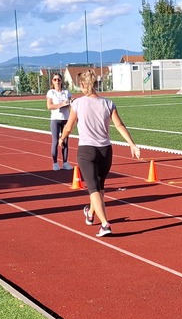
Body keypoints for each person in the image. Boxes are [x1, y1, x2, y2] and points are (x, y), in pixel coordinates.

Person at [57, 69, 141, 237]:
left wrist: (62, 138)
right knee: (99, 187)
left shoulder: (77, 103)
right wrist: (132, 144)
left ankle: (105, 224)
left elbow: (69, 126)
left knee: (93, 188)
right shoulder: (108, 103)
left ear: (83, 85)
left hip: (87, 151)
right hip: (105, 151)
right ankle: (90, 213)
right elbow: (119, 125)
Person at [45, 72, 73, 171]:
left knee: (65, 141)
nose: (57, 81)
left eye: (59, 79)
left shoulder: (66, 92)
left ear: (61, 81)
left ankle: (65, 162)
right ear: (52, 81)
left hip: (65, 119)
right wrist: (61, 105)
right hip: (55, 119)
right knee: (55, 141)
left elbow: (71, 104)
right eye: (55, 79)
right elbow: (49, 106)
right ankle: (55, 163)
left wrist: (70, 103)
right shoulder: (51, 92)